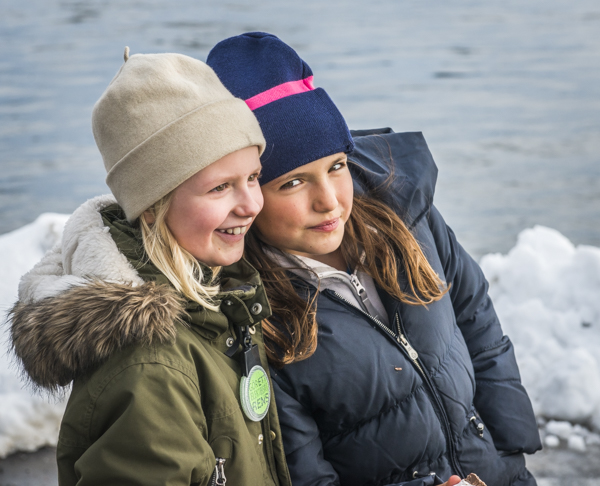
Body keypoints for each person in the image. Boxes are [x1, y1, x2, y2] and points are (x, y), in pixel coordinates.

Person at [206, 32, 542, 486]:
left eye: (336, 166)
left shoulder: (406, 220)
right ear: (248, 195)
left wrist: (510, 453)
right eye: (292, 183)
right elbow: (304, 475)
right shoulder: (256, 316)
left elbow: (477, 320)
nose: (329, 201)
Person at [9, 48, 292, 486]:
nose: (252, 204)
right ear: (152, 204)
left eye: (253, 177)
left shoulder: (217, 302)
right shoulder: (150, 368)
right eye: (220, 187)